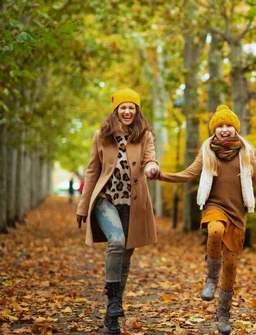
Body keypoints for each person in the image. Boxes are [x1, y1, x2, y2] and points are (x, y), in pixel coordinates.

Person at [149, 105, 256, 335]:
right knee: (214, 231)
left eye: (229, 126)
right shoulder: (207, 152)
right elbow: (188, 175)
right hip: (214, 207)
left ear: (235, 128)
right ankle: (210, 276)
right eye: (220, 126)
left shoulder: (246, 153)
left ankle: (223, 312)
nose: (225, 130)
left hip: (238, 213)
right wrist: (161, 175)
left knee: (231, 268)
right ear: (214, 129)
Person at [76, 88, 159, 335]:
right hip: (105, 200)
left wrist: (153, 168)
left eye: (131, 107)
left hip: (134, 203)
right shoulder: (102, 135)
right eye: (123, 107)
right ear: (115, 110)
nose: (127, 111)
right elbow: (92, 171)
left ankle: (112, 314)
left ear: (137, 111)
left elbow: (150, 159)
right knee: (116, 241)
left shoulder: (144, 135)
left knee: (125, 259)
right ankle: (113, 299)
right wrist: (82, 205)